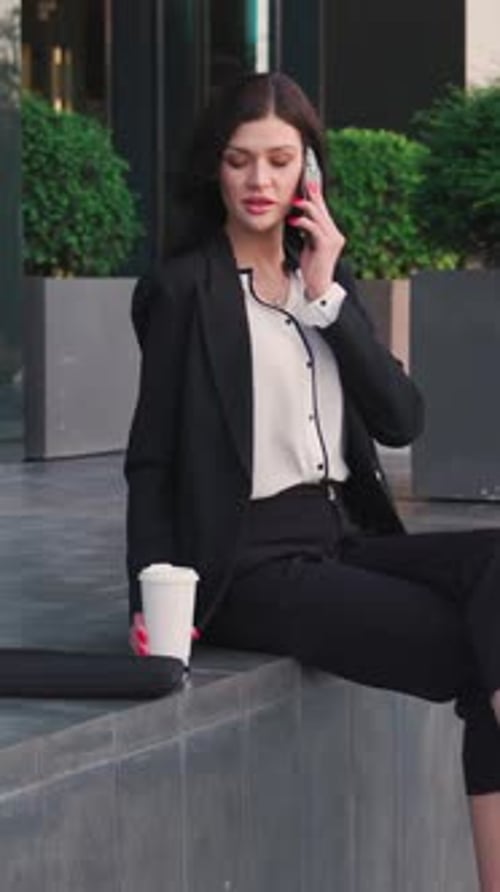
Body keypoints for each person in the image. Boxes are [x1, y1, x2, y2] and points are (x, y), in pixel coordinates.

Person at [125, 72, 500, 889]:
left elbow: (401, 419)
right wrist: (150, 605)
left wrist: (327, 294)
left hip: (341, 538)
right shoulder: (184, 290)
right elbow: (151, 459)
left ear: (310, 172)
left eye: (280, 160)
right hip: (248, 564)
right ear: (215, 169)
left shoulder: (323, 281)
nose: (259, 180)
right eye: (239, 160)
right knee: (482, 654)